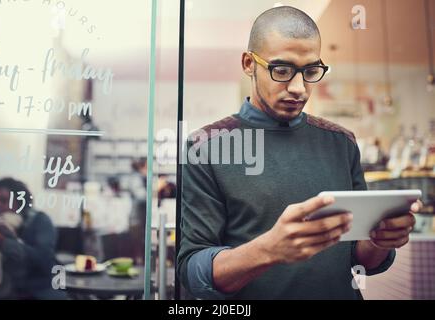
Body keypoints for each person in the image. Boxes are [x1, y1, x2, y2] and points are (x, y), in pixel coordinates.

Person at [177, 6, 422, 300]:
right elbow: (192, 271)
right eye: (281, 70)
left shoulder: (341, 142)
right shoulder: (205, 145)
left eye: (310, 71)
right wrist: (267, 250)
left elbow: (361, 259)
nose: (299, 89)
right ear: (248, 64)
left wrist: (381, 240)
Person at [0, 177, 65, 299]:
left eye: (4, 201)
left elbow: (43, 259)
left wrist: (3, 242)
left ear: (20, 202)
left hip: (38, 290)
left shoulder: (40, 220)